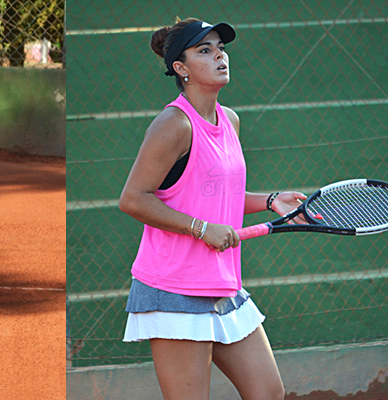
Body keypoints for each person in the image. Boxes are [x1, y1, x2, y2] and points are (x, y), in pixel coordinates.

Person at [118, 18, 306, 400]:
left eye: (220, 47)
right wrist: (201, 229)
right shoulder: (173, 124)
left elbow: (216, 194)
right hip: (173, 287)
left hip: (223, 284)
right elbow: (134, 198)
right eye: (204, 50)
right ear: (181, 68)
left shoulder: (229, 121)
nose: (220, 54)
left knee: (268, 393)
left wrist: (271, 201)